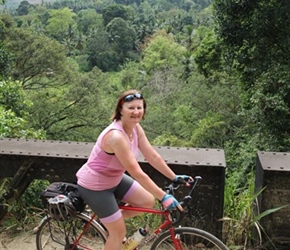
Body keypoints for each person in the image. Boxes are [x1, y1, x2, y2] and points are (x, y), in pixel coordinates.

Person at [76, 89, 192, 250]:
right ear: (120, 110)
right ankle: (114, 229)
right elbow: (137, 172)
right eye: (131, 108)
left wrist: (174, 177)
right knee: (118, 232)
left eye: (139, 107)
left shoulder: (135, 128)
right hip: (95, 186)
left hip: (114, 179)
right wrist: (163, 196)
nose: (136, 112)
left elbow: (152, 156)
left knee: (147, 201)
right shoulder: (116, 136)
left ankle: (110, 222)